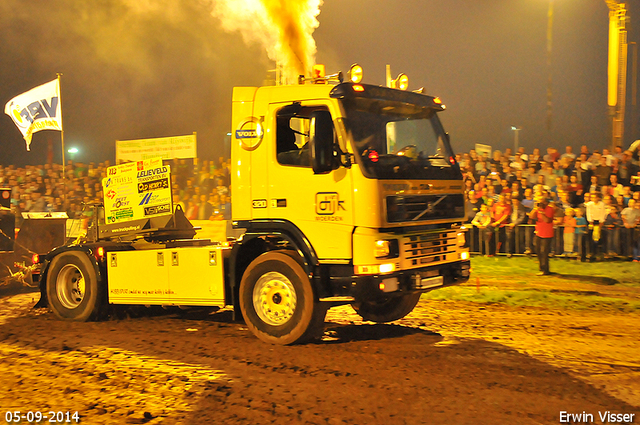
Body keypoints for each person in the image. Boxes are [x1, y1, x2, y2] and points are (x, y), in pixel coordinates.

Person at [528, 195, 555, 275]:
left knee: (544, 252)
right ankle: (541, 268)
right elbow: (531, 217)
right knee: (538, 251)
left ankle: (546, 270)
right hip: (539, 232)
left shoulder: (550, 209)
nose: (539, 203)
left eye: (540, 202)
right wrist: (535, 209)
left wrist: (541, 212)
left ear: (545, 202)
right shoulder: (538, 209)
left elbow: (547, 220)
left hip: (547, 233)